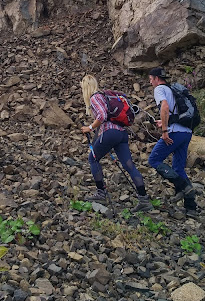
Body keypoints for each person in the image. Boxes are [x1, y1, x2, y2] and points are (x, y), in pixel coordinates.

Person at [80, 74, 152, 212]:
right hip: (121, 133)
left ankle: (101, 193)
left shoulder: (95, 97)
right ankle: (144, 199)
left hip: (110, 132)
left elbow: (102, 115)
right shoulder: (105, 96)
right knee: (129, 165)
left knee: (93, 158)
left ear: (86, 87)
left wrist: (89, 128)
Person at [147, 67, 198, 218]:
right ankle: (191, 207)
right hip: (186, 132)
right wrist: (164, 123)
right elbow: (174, 113)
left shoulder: (159, 89)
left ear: (156, 78)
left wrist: (164, 131)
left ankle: (183, 187)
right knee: (178, 167)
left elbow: (165, 107)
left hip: (174, 133)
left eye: (150, 79)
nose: (150, 83)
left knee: (154, 159)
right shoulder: (173, 90)